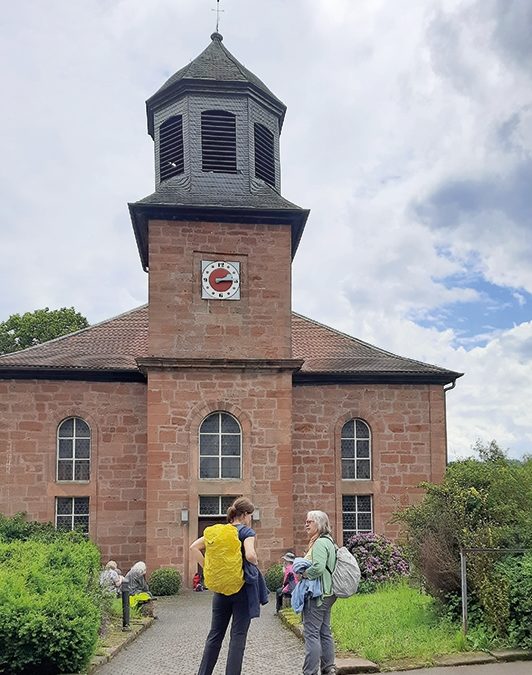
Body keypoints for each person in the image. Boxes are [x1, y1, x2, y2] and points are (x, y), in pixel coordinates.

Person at [190, 496, 266, 675]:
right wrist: (255, 561)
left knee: (215, 635)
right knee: (237, 637)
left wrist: (208, 567)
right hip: (242, 591)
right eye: (250, 516)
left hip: (221, 590)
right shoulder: (247, 532)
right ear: (245, 515)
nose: (250, 519)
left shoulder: (219, 532)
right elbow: (250, 555)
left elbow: (194, 547)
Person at [299, 510, 337, 675]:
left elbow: (319, 567)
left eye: (310, 522)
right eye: (306, 521)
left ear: (320, 524)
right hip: (328, 593)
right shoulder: (329, 541)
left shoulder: (320, 543)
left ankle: (310, 672)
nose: (306, 524)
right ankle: (329, 668)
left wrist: (304, 573)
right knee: (324, 631)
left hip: (318, 595)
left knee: (312, 634)